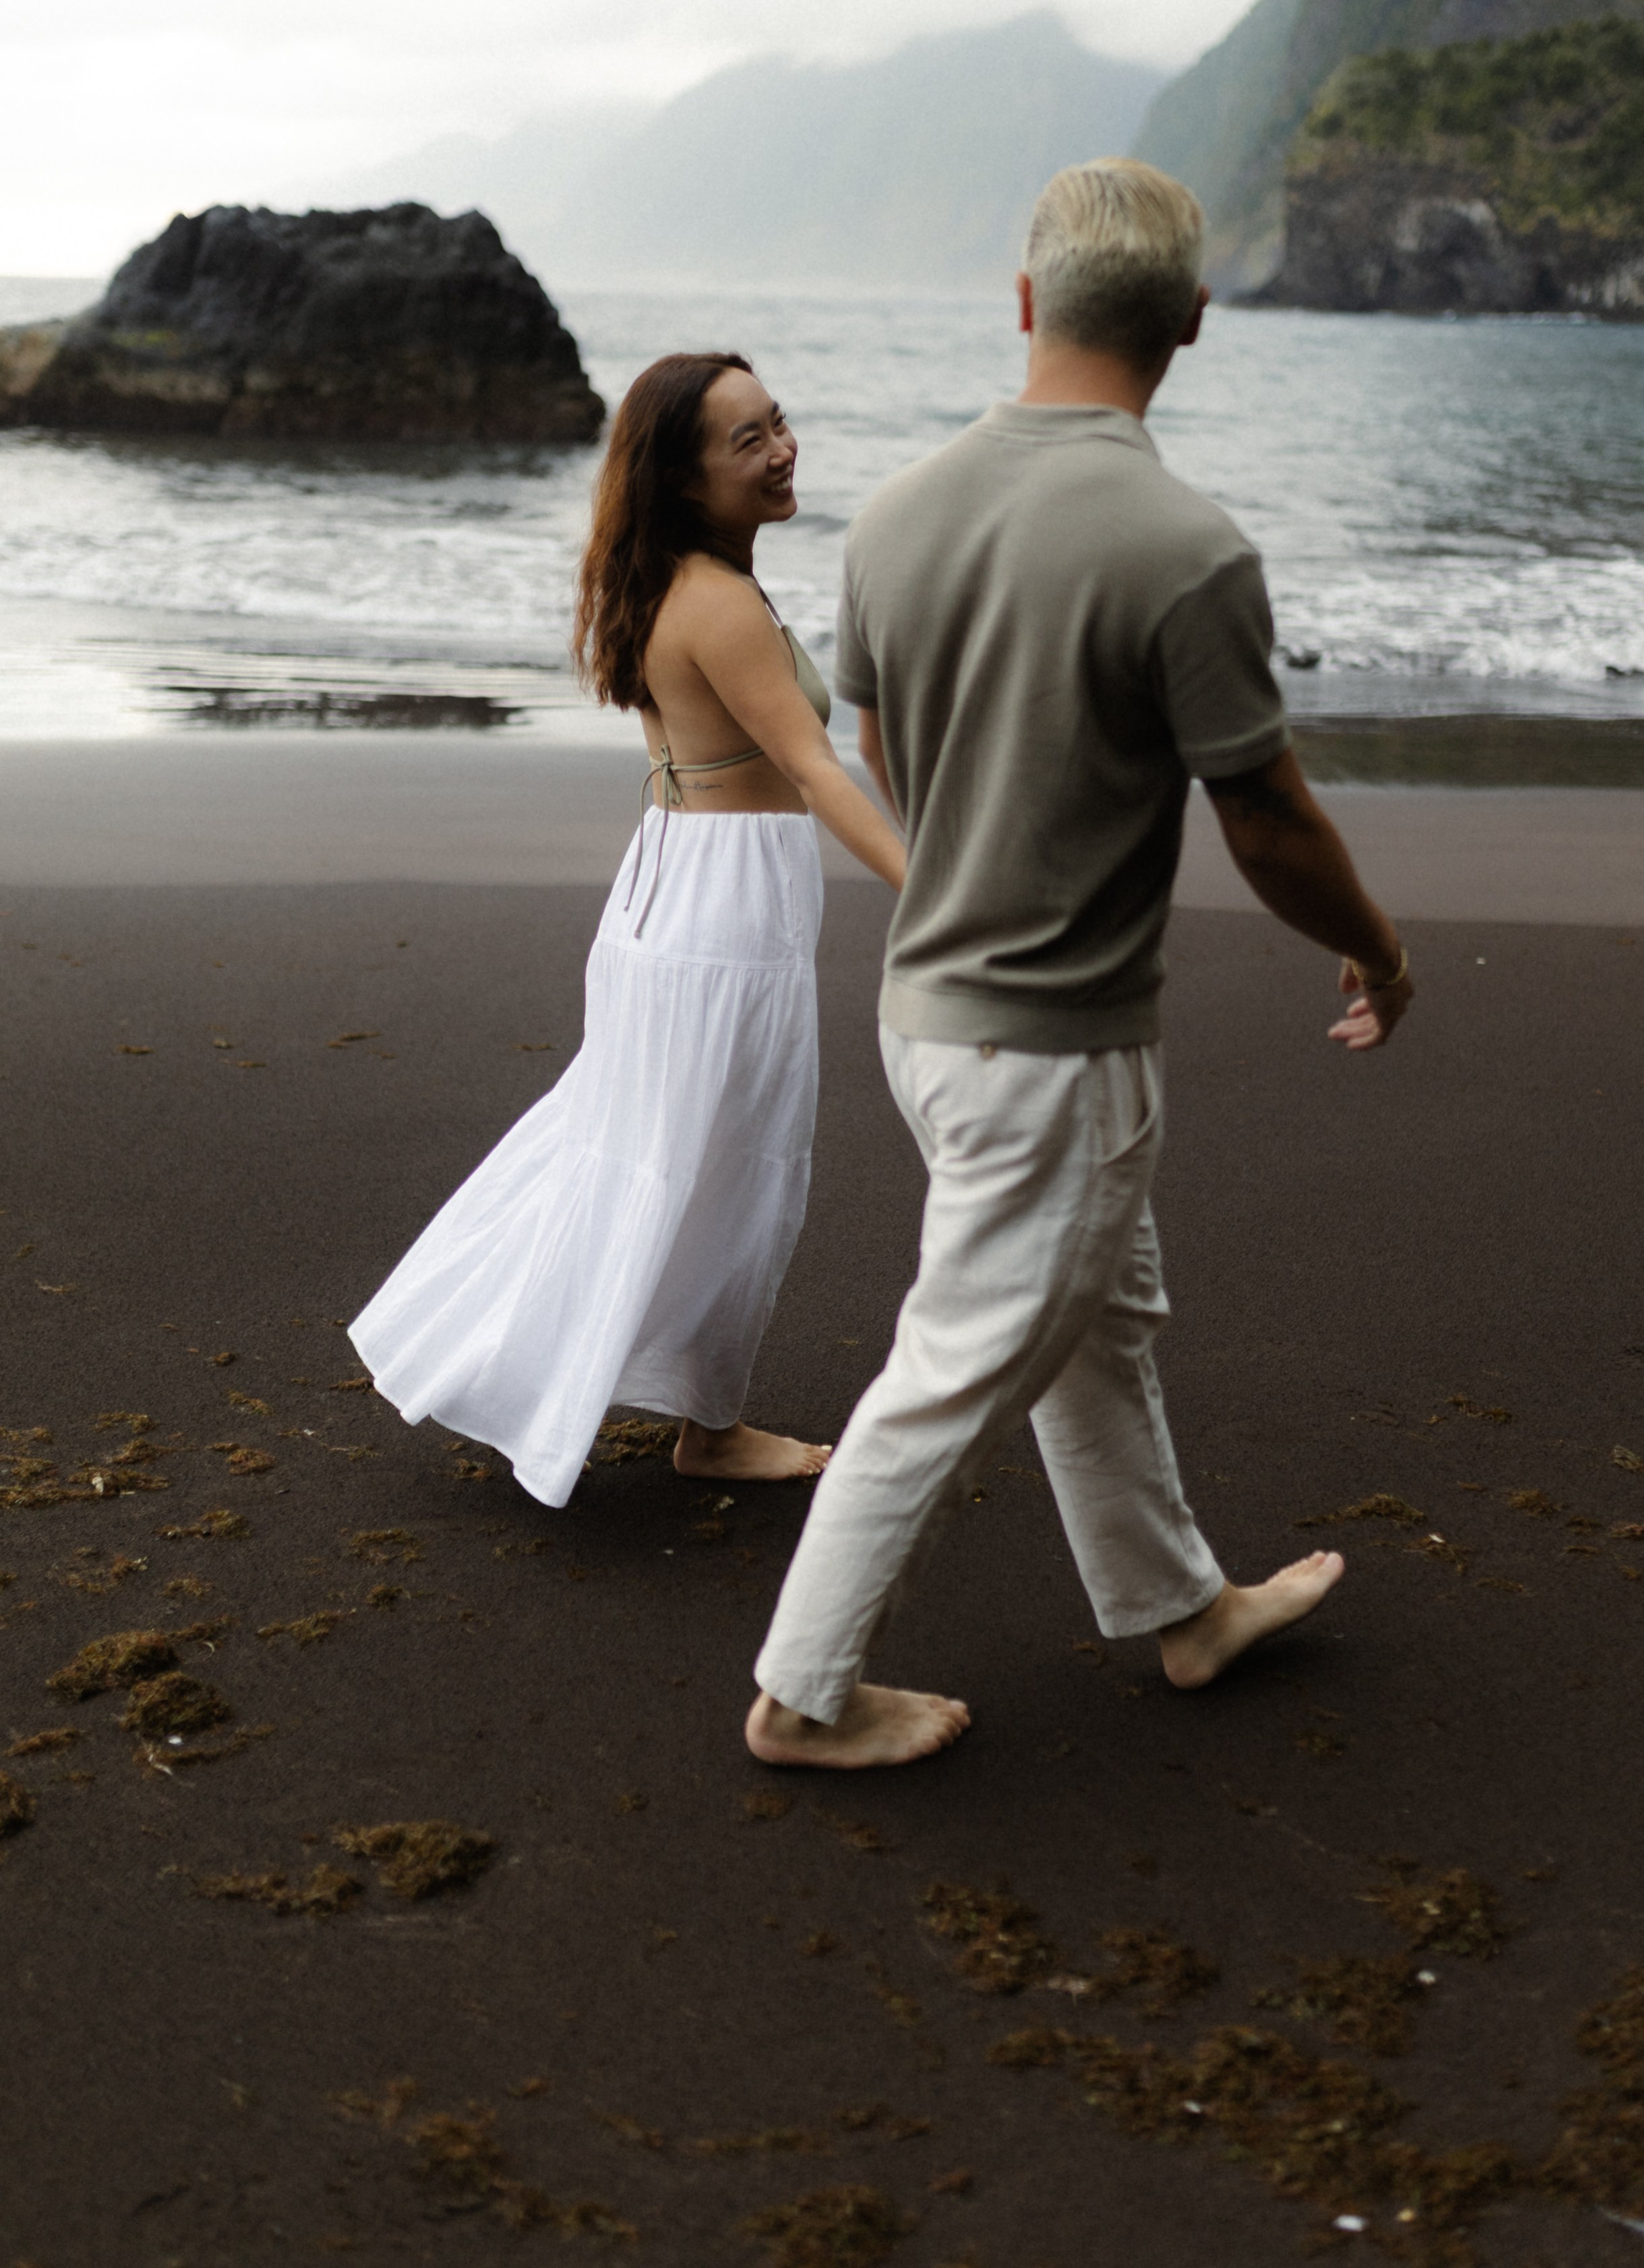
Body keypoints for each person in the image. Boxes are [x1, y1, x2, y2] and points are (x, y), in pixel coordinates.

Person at [746, 161, 1414, 1771]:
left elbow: (883, 745)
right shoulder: (1185, 548)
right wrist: (1373, 949)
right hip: (1051, 1046)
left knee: (1095, 1317)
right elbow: (1260, 814)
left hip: (926, 1009)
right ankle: (800, 1693)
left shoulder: (896, 514)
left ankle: (1180, 1610)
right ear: (1191, 318)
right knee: (960, 1359)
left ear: (1027, 301)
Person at [351, 351, 906, 1507]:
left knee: (642, 1154)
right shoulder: (718, 601)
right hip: (720, 907)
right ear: (683, 476)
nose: (783, 449)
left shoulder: (660, 579)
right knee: (732, 1171)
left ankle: (560, 1378)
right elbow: (814, 766)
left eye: (781, 424)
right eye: (746, 440)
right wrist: (944, 893)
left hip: (673, 885)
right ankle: (689, 1424)